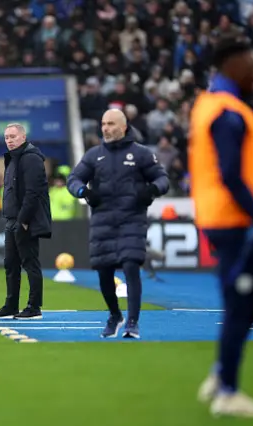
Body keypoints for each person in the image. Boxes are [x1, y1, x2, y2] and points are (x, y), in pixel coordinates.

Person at [189, 37, 253, 418]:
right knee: (242, 300)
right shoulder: (227, 112)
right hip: (232, 221)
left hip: (222, 218)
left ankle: (222, 373)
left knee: (252, 298)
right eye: (251, 64)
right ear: (231, 64)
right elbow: (230, 174)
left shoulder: (211, 103)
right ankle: (227, 391)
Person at [67, 109, 169, 339]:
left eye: (111, 123)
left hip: (131, 219)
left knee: (131, 266)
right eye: (103, 123)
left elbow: (162, 178)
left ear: (124, 127)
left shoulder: (141, 154)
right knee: (104, 271)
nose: (105, 128)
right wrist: (83, 191)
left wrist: (152, 190)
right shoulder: (93, 155)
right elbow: (73, 179)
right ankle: (115, 315)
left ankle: (132, 323)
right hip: (102, 221)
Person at [0, 123, 52, 320]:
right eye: (6, 137)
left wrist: (24, 221)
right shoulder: (14, 158)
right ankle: (11, 305)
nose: (9, 140)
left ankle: (34, 306)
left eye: (13, 136)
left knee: (30, 263)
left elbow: (32, 192)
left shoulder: (31, 158)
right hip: (12, 219)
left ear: (23, 137)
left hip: (24, 220)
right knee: (11, 264)